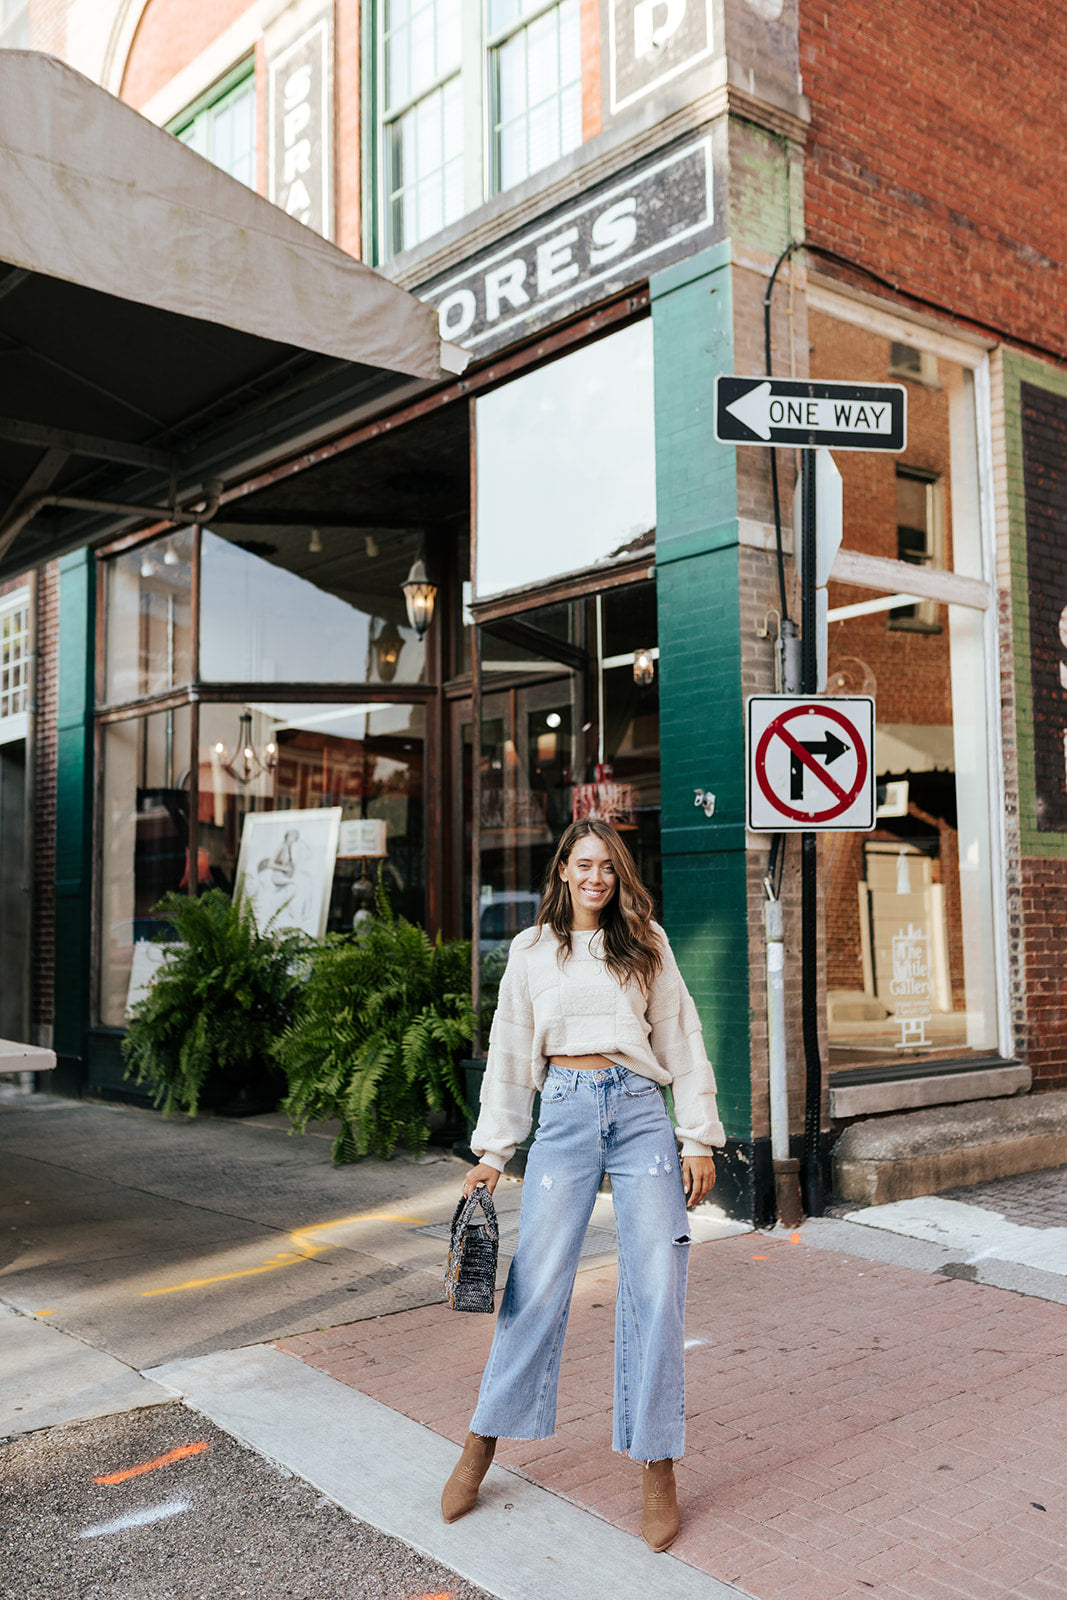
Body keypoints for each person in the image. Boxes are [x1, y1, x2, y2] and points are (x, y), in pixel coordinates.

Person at [441, 818, 725, 1553]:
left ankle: (656, 1462)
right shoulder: (532, 950)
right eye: (584, 863)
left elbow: (682, 1039)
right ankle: (482, 1439)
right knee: (535, 1282)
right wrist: (493, 1151)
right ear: (563, 869)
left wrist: (697, 1135)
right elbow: (509, 1048)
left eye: (609, 866)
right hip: (564, 1111)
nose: (597, 877)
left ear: (617, 874)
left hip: (638, 1112)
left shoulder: (647, 942)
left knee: (658, 1285)